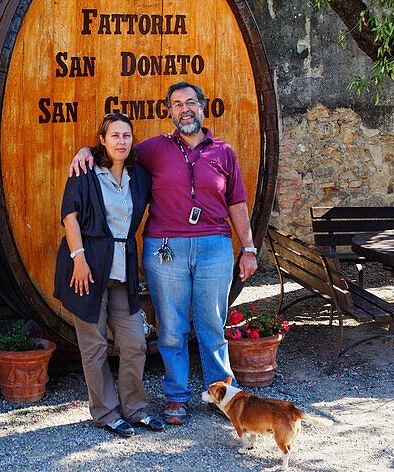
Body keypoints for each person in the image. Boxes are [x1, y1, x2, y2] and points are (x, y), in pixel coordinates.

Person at [71, 82, 257, 426]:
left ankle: (224, 395)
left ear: (202, 107)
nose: (184, 109)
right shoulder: (155, 148)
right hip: (165, 248)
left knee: (212, 325)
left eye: (190, 102)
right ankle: (176, 397)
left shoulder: (223, 151)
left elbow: (237, 203)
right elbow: (116, 149)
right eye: (176, 104)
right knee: (171, 327)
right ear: (169, 113)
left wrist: (248, 248)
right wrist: (85, 148)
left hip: (214, 245)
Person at [56, 112, 166, 438]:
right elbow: (69, 216)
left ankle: (134, 409)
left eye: (126, 136)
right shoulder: (85, 171)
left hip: (123, 269)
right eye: (114, 135)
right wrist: (78, 259)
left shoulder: (139, 176)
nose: (121, 141)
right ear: (102, 140)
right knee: (94, 346)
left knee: (134, 343)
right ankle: (105, 413)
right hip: (87, 269)